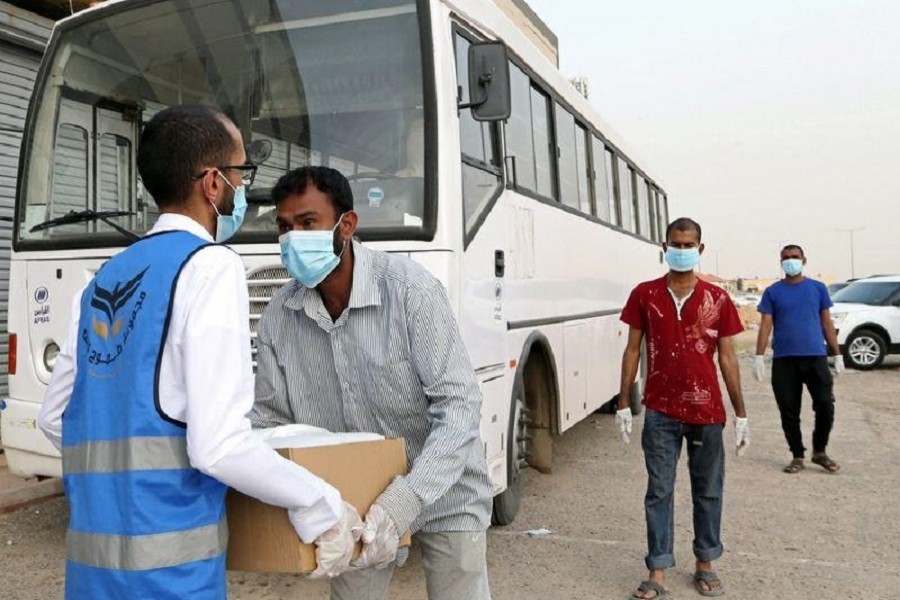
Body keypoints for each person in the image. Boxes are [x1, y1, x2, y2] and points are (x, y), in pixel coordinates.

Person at [37, 106, 361, 600]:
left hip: (90, 580)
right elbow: (219, 446)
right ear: (213, 184)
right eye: (241, 174)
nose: (243, 188)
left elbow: (56, 419)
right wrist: (323, 505)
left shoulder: (101, 279)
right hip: (173, 582)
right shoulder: (209, 267)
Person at [251, 166, 493, 600]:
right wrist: (309, 500)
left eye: (307, 223)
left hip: (445, 486)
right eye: (284, 227)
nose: (291, 239)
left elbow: (459, 407)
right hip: (351, 501)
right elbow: (271, 421)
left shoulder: (410, 291)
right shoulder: (278, 315)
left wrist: (404, 502)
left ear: (347, 224)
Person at [617, 218, 749, 599]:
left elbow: (727, 359)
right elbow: (632, 350)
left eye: (689, 244)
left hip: (707, 413)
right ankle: (657, 569)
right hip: (660, 410)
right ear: (665, 246)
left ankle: (705, 563)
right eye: (676, 243)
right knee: (659, 490)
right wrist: (624, 401)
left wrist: (740, 413)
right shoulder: (645, 294)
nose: (682, 249)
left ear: (700, 249)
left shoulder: (717, 299)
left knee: (708, 490)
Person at [753, 244, 843, 474]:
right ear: (780, 262)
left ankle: (819, 451)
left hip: (815, 357)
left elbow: (826, 322)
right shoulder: (773, 292)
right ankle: (797, 455)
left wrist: (836, 353)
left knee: (825, 404)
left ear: (804, 260)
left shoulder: (817, 288)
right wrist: (759, 356)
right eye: (786, 258)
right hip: (785, 360)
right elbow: (765, 325)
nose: (790, 261)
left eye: (794, 257)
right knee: (788, 410)